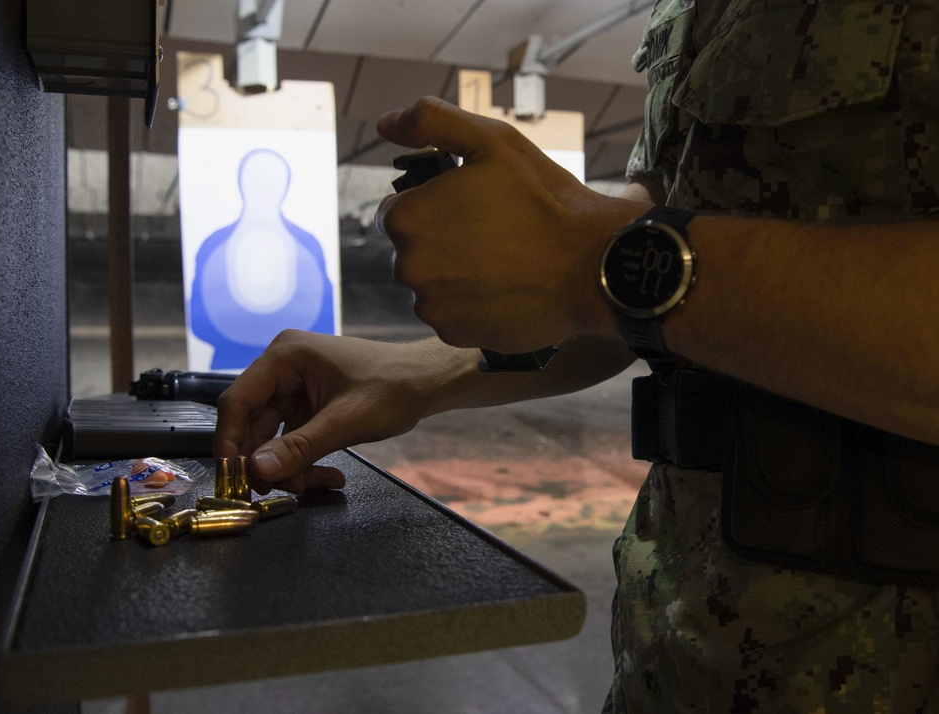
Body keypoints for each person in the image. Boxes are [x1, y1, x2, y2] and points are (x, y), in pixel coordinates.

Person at [214, 0, 939, 709]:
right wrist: (426, 371)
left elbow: (627, 259)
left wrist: (588, 257)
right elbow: (665, 227)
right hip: (684, 646)